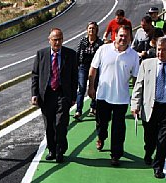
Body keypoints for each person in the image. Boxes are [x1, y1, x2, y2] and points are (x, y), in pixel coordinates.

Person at [131, 37, 166, 178]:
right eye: (158, 49)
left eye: (163, 50)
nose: (160, 53)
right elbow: (139, 86)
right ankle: (148, 151)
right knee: (150, 138)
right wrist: (135, 104)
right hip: (151, 106)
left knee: (163, 140)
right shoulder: (146, 64)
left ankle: (158, 167)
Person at [88, 25, 140, 166]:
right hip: (103, 95)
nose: (123, 39)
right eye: (121, 35)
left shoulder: (134, 56)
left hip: (121, 99)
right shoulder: (103, 50)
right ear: (115, 36)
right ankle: (101, 136)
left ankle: (115, 155)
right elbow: (93, 69)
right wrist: (91, 87)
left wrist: (136, 99)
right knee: (102, 123)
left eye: (126, 36)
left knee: (118, 128)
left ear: (130, 38)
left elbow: (136, 79)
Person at [31, 28, 78, 163]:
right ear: (49, 40)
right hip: (46, 95)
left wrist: (73, 95)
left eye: (60, 39)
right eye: (55, 39)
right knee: (49, 125)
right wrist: (34, 94)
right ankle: (52, 149)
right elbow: (35, 75)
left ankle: (60, 150)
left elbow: (74, 77)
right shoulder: (41, 55)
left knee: (60, 124)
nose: (57, 42)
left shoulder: (70, 55)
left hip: (63, 94)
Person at [75, 21, 104, 120]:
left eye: (93, 28)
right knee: (81, 88)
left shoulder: (100, 43)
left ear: (96, 30)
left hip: (95, 67)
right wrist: (76, 66)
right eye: (90, 28)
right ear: (87, 30)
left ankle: (93, 107)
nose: (91, 30)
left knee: (94, 86)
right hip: (83, 66)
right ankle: (78, 110)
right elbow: (78, 53)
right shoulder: (83, 41)